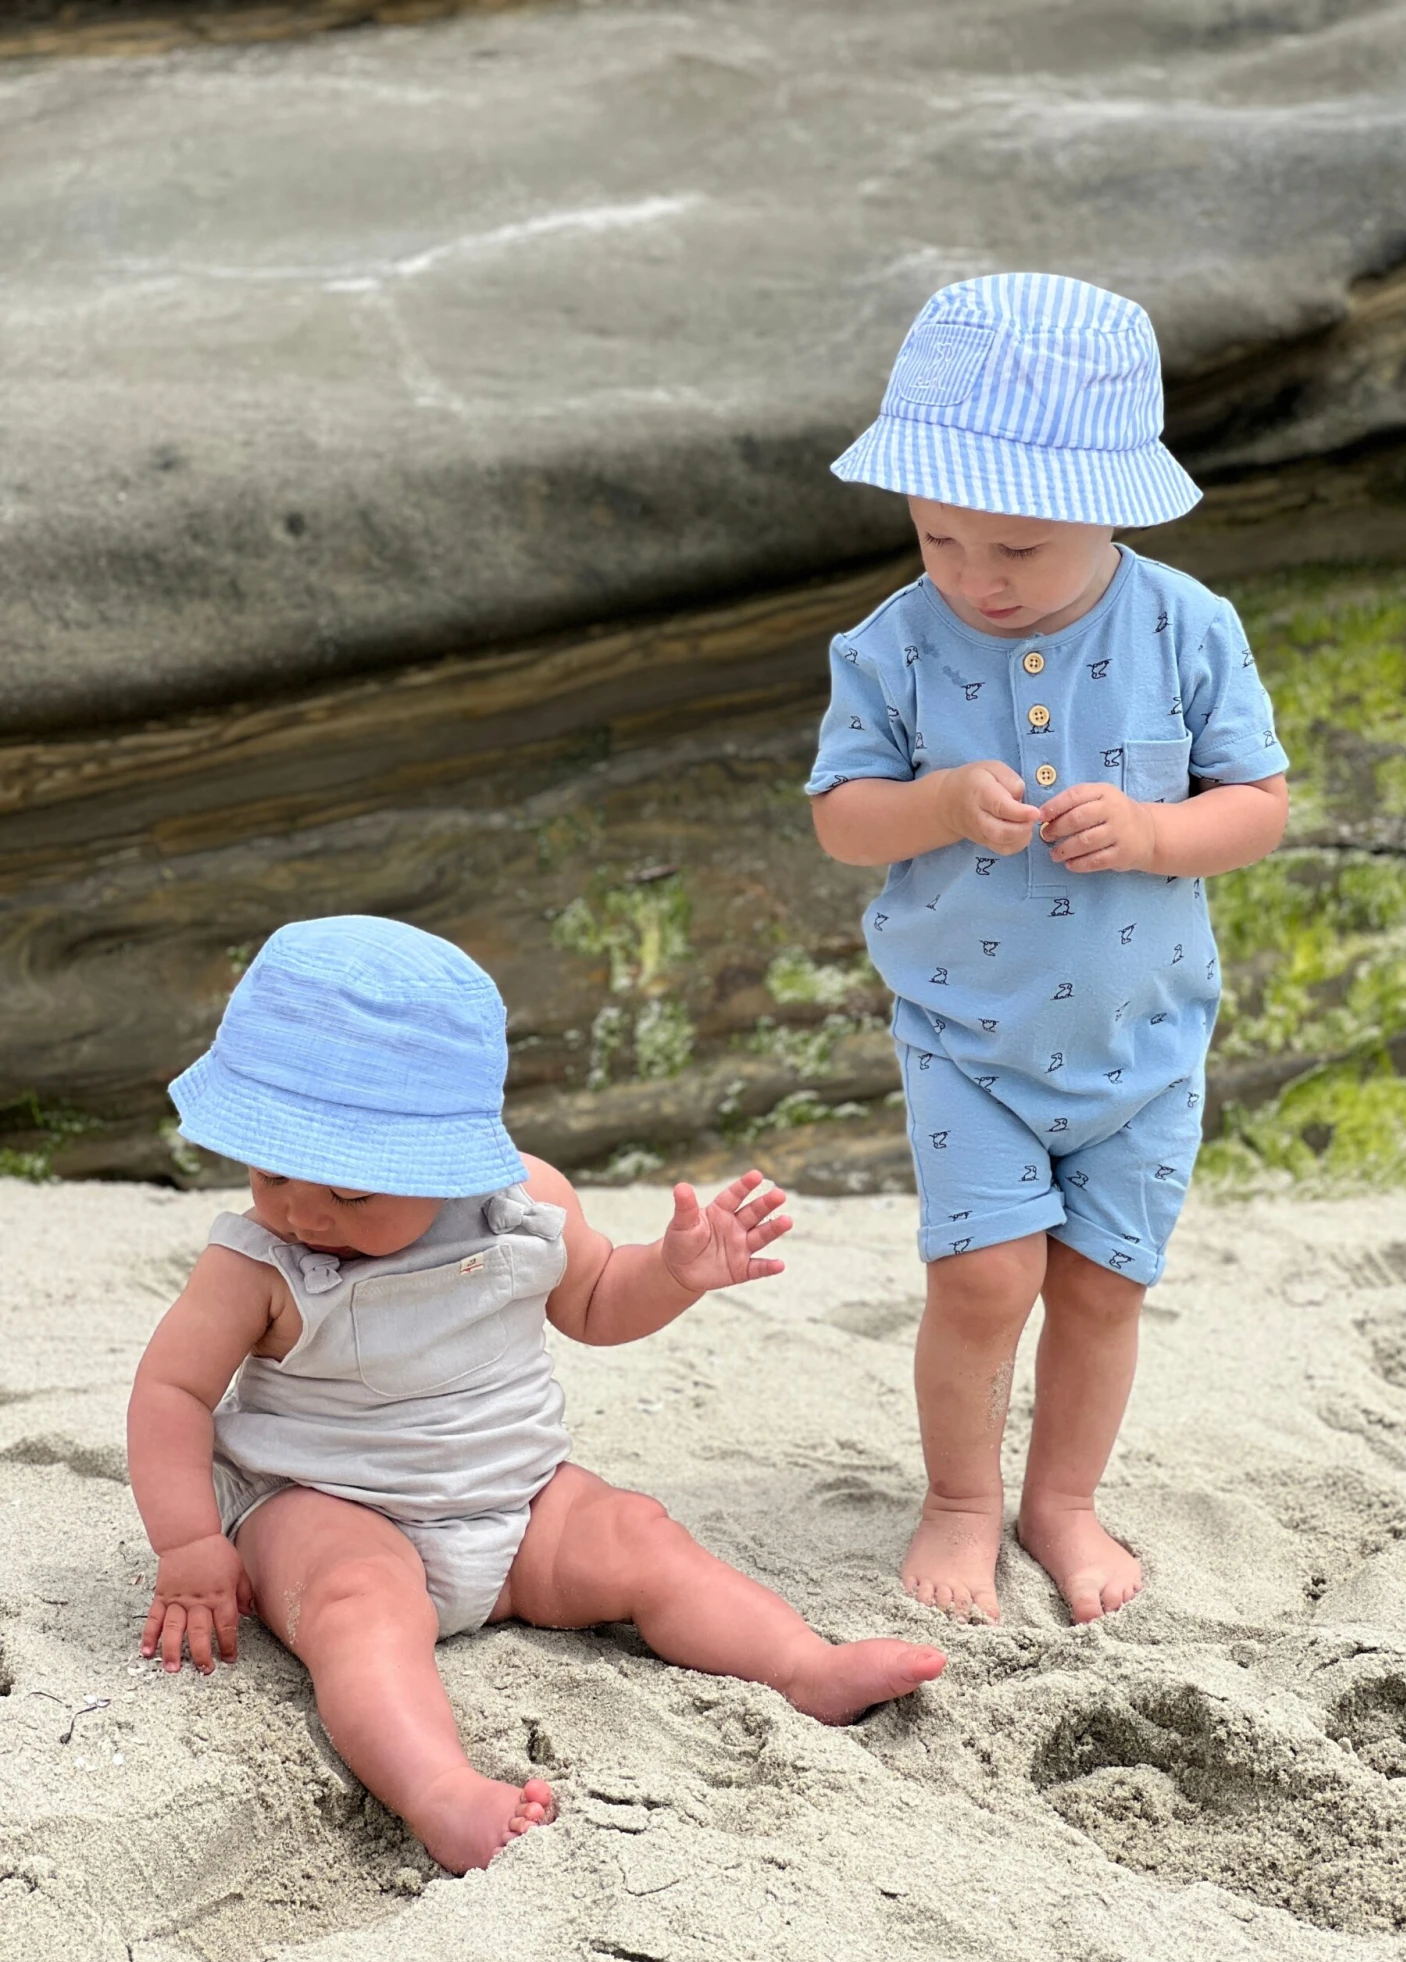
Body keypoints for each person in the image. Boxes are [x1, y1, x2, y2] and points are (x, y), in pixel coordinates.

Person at [127, 916, 945, 1874]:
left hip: (517, 1505)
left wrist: (674, 1272)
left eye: (351, 1192)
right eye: (271, 1171)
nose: (304, 1213)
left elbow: (597, 1301)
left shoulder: (524, 1204)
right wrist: (188, 1543)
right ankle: (439, 1791)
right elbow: (172, 1389)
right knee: (354, 1605)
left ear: (446, 1156)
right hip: (332, 1507)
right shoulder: (258, 1264)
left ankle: (803, 1667)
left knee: (639, 1533)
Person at [807, 272, 1289, 1626]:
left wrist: (1147, 832)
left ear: (1110, 503)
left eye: (1015, 547)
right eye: (939, 536)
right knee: (983, 1275)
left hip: (1145, 1038)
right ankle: (960, 1501)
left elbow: (1258, 811)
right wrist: (941, 805)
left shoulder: (1188, 628)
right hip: (968, 1031)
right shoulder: (892, 648)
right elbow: (844, 822)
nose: (975, 578)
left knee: (1097, 1288)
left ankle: (1060, 1502)